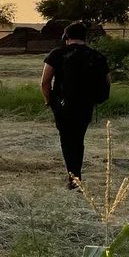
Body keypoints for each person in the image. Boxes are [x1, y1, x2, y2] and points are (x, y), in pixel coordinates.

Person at [41, 21, 111, 189]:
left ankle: (73, 176)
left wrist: (48, 100)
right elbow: (107, 82)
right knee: (78, 139)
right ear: (84, 37)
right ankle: (76, 174)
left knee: (66, 139)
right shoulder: (96, 56)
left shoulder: (57, 54)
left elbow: (45, 81)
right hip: (85, 105)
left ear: (66, 36)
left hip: (63, 105)